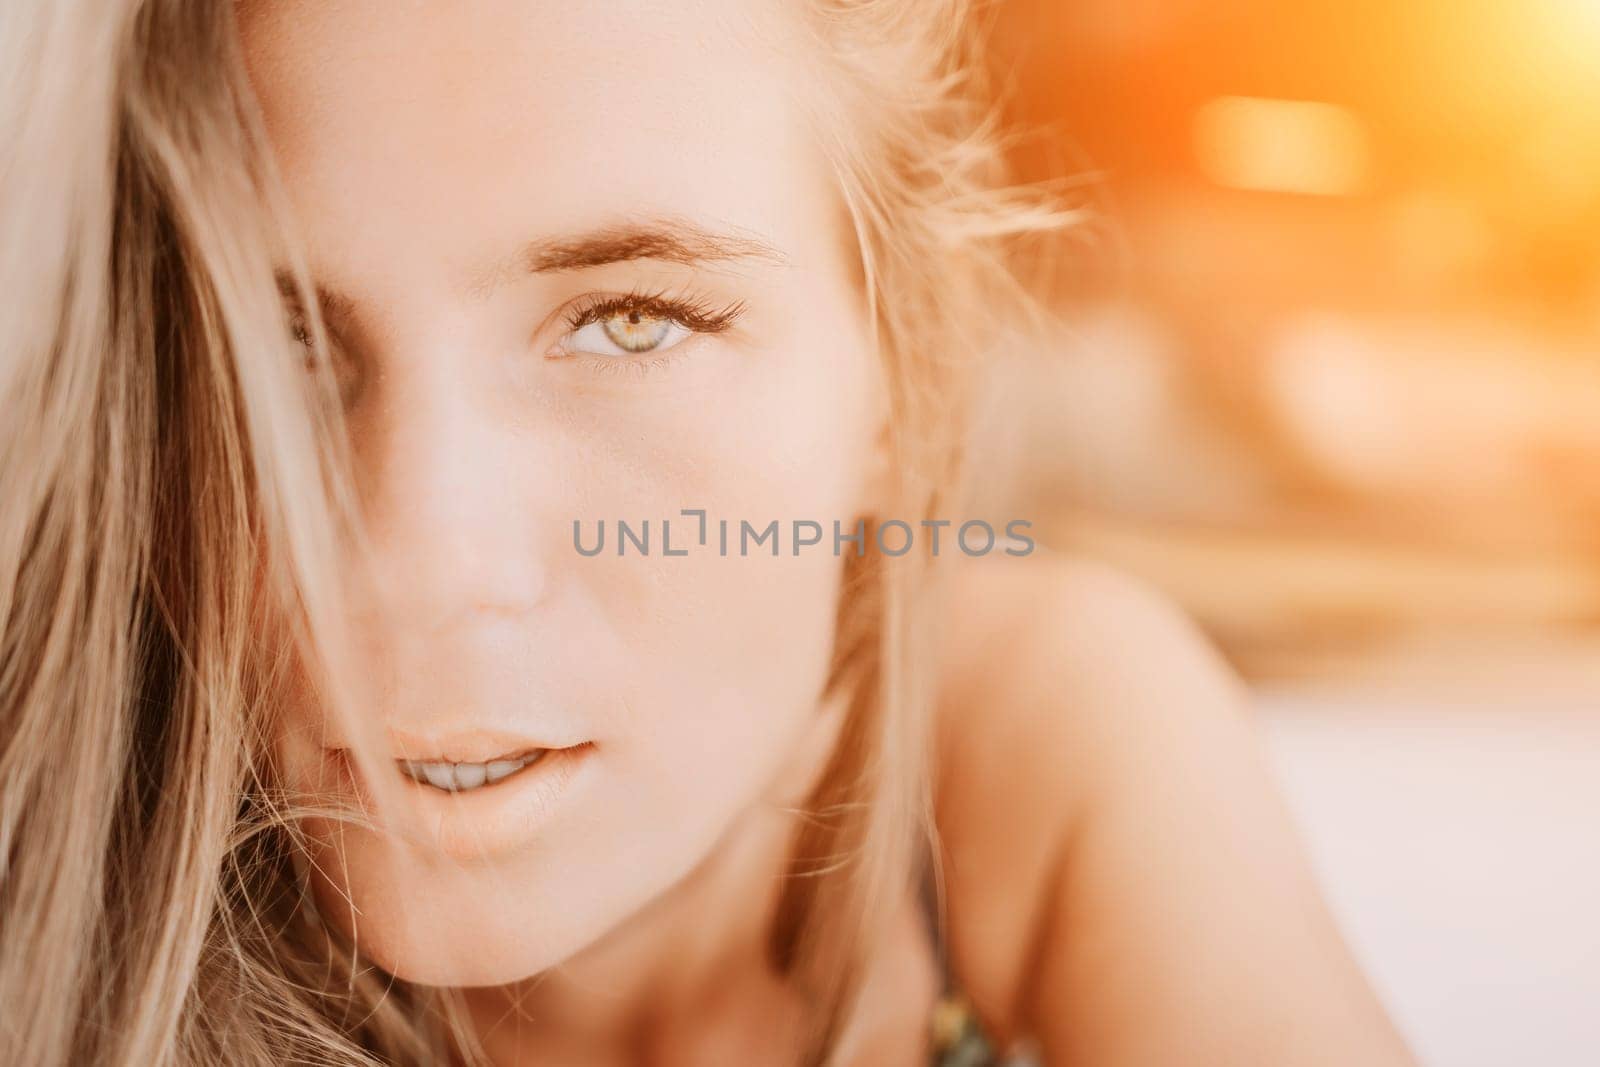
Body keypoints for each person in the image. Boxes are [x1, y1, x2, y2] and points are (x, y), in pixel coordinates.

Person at [0, 1, 1418, 1064]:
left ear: (899, 384)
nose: (415, 572)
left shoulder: (1022, 742)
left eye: (631, 322)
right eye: (272, 344)